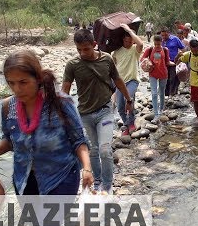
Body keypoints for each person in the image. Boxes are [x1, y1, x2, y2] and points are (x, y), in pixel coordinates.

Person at [0, 49, 94, 226]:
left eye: (23, 82)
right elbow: (9, 140)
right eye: (11, 83)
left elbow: (79, 140)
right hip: (24, 180)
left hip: (61, 177)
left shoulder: (60, 103)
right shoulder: (7, 107)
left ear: (37, 78)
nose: (17, 89)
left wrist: (87, 169)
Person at [62, 29, 134, 194]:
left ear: (94, 45)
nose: (82, 53)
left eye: (86, 49)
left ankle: (107, 186)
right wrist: (61, 114)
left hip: (105, 111)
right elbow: (64, 92)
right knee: (93, 150)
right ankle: (97, 182)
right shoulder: (72, 64)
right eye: (79, 49)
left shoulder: (106, 59)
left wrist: (128, 100)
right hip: (84, 114)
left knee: (104, 149)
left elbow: (118, 80)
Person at [111, 23, 144, 136]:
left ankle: (131, 122)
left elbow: (140, 43)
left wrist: (129, 30)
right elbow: (114, 64)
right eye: (127, 41)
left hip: (132, 80)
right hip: (120, 82)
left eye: (131, 42)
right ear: (123, 40)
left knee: (128, 100)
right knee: (120, 107)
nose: (129, 43)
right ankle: (127, 123)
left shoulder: (135, 49)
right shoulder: (117, 51)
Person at [140, 35, 171, 124]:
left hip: (163, 74)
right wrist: (147, 62)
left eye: (158, 44)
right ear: (153, 42)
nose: (157, 46)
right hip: (152, 74)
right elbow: (142, 59)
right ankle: (156, 114)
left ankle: (161, 109)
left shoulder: (165, 50)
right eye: (155, 44)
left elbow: (167, 62)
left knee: (162, 92)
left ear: (161, 42)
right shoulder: (149, 50)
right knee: (154, 93)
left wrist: (176, 62)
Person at [160, 27, 185, 97]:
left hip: (174, 62)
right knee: (165, 78)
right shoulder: (161, 41)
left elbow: (183, 48)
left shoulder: (175, 39)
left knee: (173, 78)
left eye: (165, 35)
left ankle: (172, 93)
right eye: (162, 35)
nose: (164, 37)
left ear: (169, 34)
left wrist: (181, 58)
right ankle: (166, 93)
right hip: (164, 63)